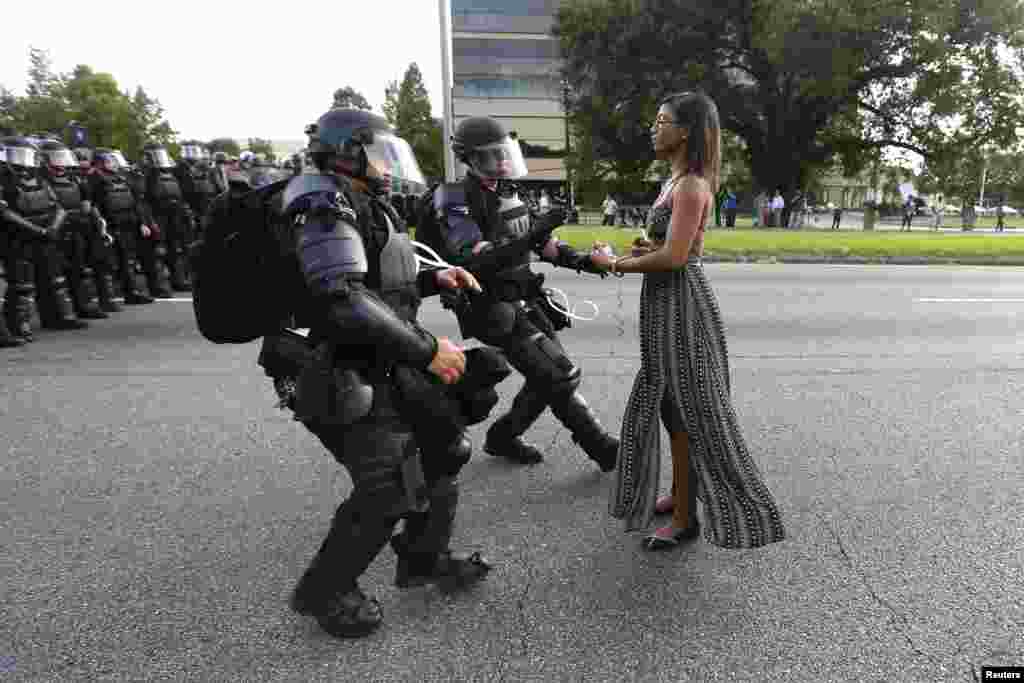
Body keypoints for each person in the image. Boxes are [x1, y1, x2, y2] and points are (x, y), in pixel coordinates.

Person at [279, 107, 493, 639]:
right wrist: (427, 352)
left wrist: (434, 280)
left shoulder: (363, 202)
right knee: (387, 485)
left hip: (382, 356)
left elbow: (380, 284)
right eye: (379, 150)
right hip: (333, 368)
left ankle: (423, 558)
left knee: (444, 449)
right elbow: (343, 300)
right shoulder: (320, 204)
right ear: (349, 152)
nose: (388, 163)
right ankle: (325, 591)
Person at [588, 92, 786, 551]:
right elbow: (670, 248)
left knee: (686, 411)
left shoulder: (692, 185)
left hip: (681, 305)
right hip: (664, 302)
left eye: (662, 121)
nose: (653, 129)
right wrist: (641, 250)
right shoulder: (675, 182)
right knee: (669, 404)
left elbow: (677, 257)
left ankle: (685, 519)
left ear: (686, 132)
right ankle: (680, 495)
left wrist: (612, 263)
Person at [416, 115, 618, 471]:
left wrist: (589, 262)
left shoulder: (508, 191)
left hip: (524, 296)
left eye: (504, 153)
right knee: (558, 376)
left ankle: (503, 437)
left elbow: (545, 245)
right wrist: (531, 235)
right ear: (470, 158)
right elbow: (475, 261)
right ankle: (601, 447)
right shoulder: (454, 198)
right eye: (492, 155)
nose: (502, 161)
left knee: (549, 378)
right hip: (489, 304)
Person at [0, 135, 88, 334]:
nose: (22, 161)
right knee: (22, 285)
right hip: (16, 238)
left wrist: (53, 228)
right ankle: (18, 326)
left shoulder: (39, 179)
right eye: (17, 155)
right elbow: (5, 213)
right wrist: (39, 230)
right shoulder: (4, 182)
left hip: (45, 237)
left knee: (55, 279)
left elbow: (58, 207)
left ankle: (60, 317)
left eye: (26, 155)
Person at [88, 149, 156, 305]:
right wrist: (102, 226)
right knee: (110, 262)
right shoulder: (95, 178)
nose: (114, 164)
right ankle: (111, 297)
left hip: (127, 223)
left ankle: (132, 292)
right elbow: (93, 205)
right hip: (110, 225)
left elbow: (133, 201)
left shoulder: (120, 178)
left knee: (127, 260)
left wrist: (141, 223)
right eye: (110, 161)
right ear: (100, 162)